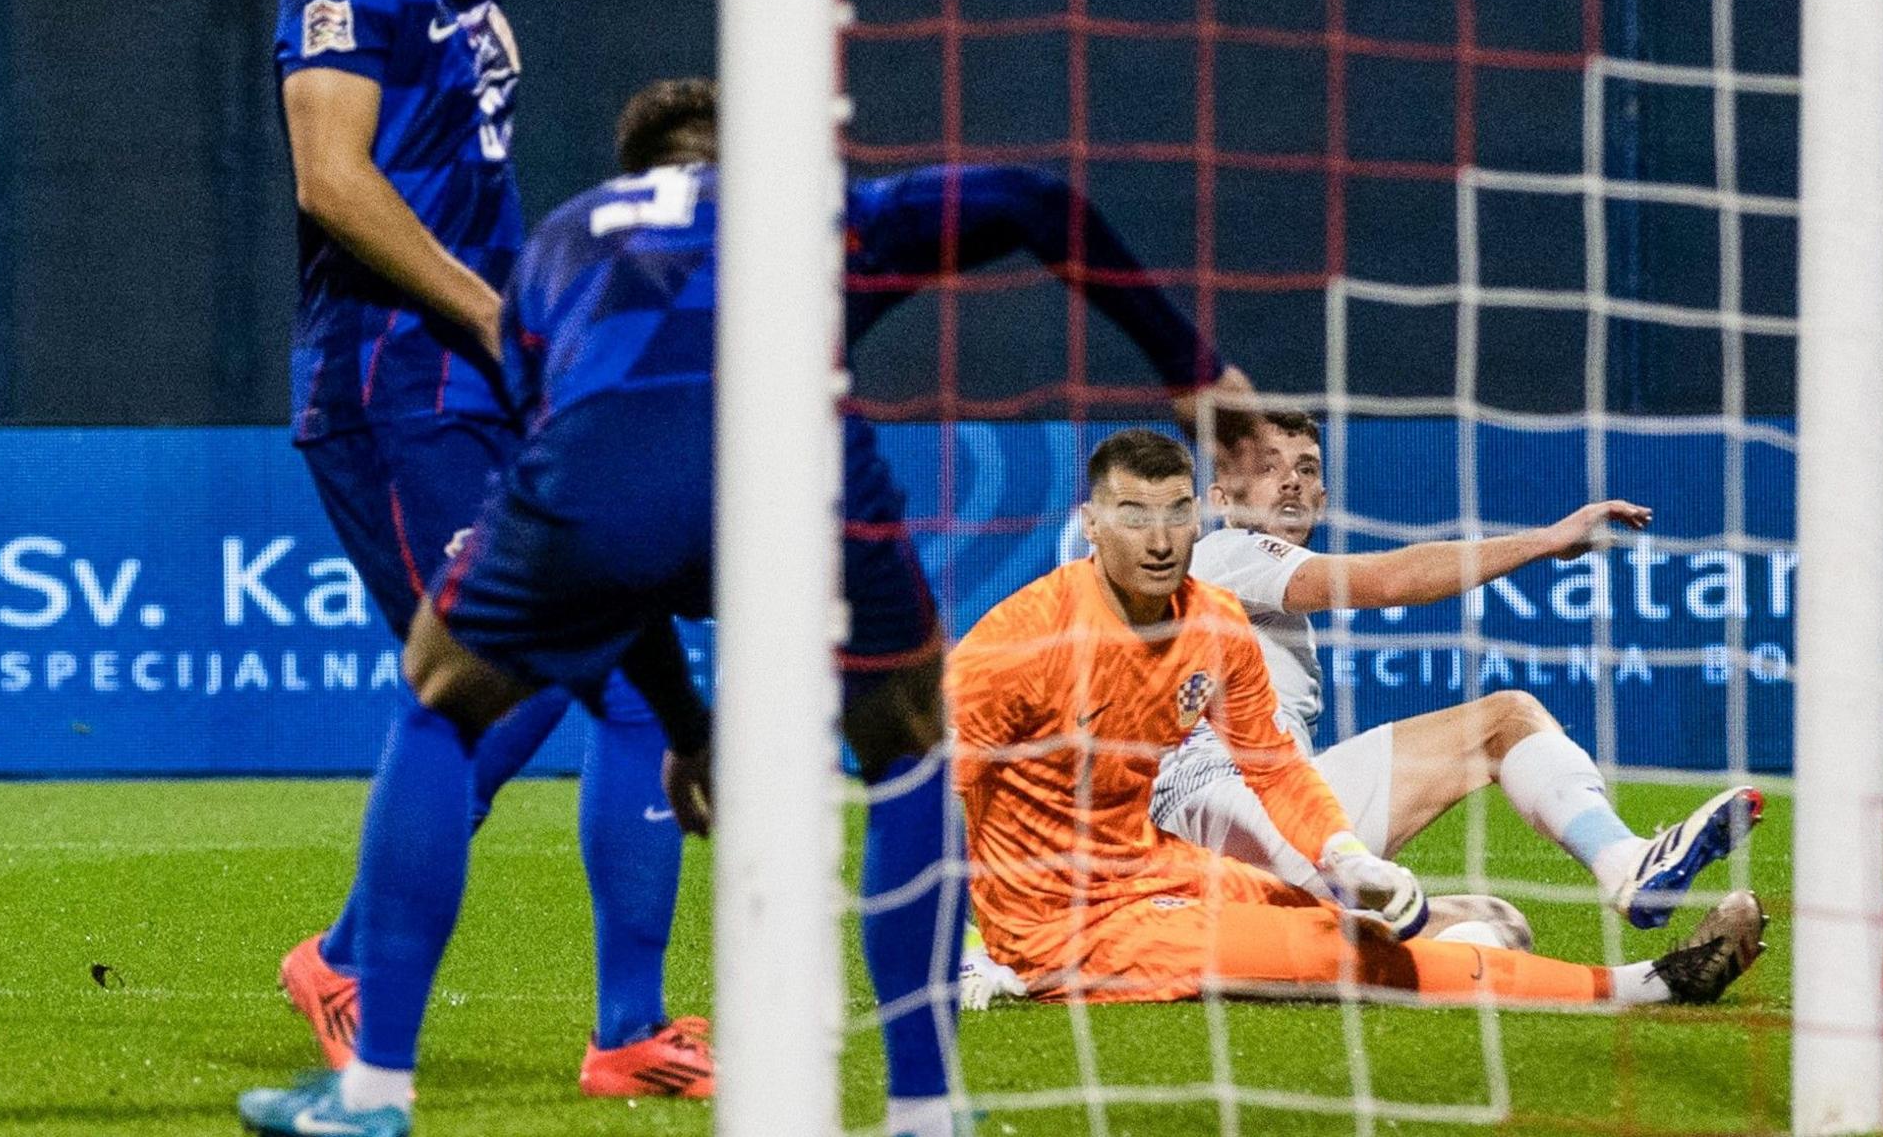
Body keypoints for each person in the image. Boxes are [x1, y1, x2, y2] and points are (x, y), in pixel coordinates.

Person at [244, 79, 1253, 1137]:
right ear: (743, 153)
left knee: (440, 699)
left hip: (596, 481)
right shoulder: (803, 206)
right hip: (799, 484)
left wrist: (688, 731)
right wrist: (1194, 369)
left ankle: (373, 1089)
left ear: (633, 171)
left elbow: (600, 520)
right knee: (909, 746)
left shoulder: (557, 245)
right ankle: (923, 1106)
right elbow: (1033, 200)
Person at [267, 0, 701, 1102]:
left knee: (644, 683)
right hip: (393, 391)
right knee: (483, 683)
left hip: (487, 390)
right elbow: (332, 182)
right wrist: (488, 310)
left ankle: (628, 1030)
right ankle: (351, 977)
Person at [945, 429, 1767, 1010]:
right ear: (1091, 524)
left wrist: (1339, 848)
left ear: (1197, 511)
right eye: (1132, 515)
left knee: (1375, 920)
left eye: (1173, 513)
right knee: (1338, 955)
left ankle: (1469, 919)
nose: (1159, 538)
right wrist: (972, 941)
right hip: (1082, 911)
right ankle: (1648, 984)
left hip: (1157, 860)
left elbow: (1273, 763)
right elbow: (930, 790)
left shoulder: (1215, 619)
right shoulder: (1029, 640)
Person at [1150, 410, 1762, 929]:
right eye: (1267, 468)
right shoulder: (1225, 552)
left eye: (1306, 469)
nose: (1290, 482)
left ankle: (1669, 978)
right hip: (1230, 806)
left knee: (1493, 925)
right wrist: (1543, 542)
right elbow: (1386, 580)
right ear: (1220, 500)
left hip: (1238, 849)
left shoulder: (1244, 590)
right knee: (1506, 720)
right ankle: (1627, 862)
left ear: (1324, 496)